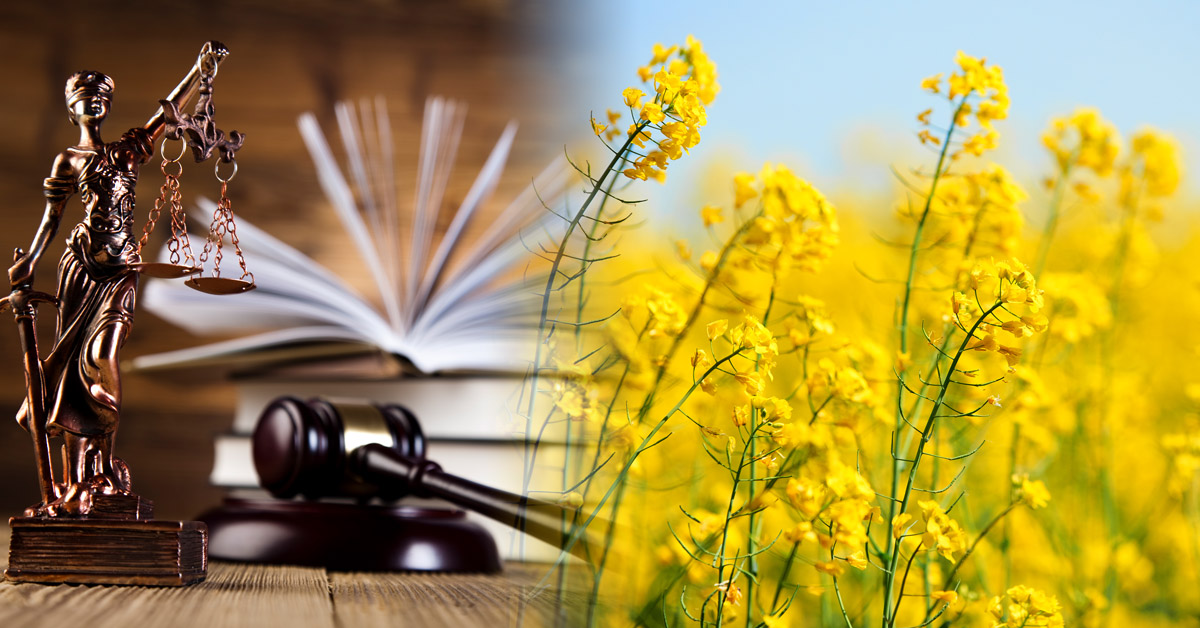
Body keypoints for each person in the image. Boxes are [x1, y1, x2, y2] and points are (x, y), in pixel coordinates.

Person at [8, 43, 227, 516]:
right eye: (85, 96)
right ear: (72, 108)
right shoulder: (68, 159)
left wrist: (196, 71)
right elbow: (52, 218)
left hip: (121, 271)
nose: (95, 102)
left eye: (101, 96)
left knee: (103, 356)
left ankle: (103, 464)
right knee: (69, 370)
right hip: (82, 269)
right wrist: (29, 264)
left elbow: (164, 116)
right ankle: (74, 481)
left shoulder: (126, 150)